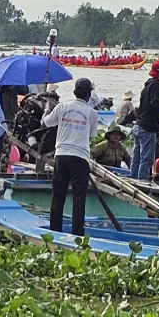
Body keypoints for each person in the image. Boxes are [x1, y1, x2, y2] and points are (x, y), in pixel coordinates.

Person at [43, 77, 97, 235]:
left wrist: (47, 109)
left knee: (58, 196)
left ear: (75, 92)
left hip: (61, 156)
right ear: (88, 95)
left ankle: (54, 232)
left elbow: (45, 123)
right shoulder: (92, 113)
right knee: (79, 199)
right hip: (80, 157)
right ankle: (77, 233)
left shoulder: (62, 107)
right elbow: (91, 136)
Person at [133, 62, 159, 180]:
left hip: (138, 125)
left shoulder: (147, 87)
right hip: (147, 129)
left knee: (137, 158)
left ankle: (133, 180)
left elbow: (147, 108)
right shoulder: (157, 85)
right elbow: (155, 104)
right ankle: (142, 184)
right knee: (146, 159)